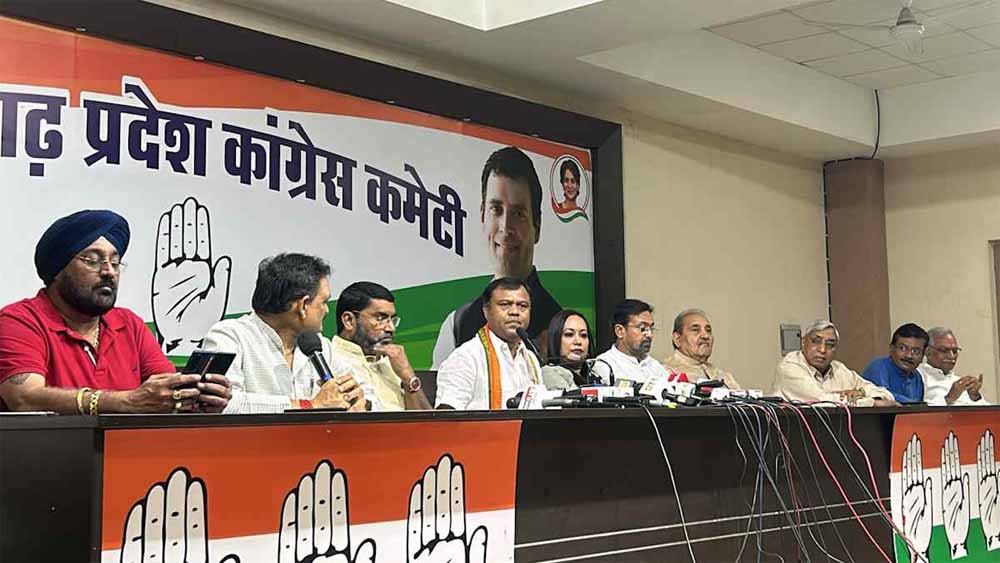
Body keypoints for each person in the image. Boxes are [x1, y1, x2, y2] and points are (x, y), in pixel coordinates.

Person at [0, 210, 231, 414]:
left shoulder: (129, 324)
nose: (109, 272)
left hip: (129, 449)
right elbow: (24, 398)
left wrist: (196, 399)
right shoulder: (19, 321)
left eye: (115, 261)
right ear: (57, 270)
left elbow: (166, 394)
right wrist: (127, 402)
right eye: (92, 260)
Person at [431, 146, 561, 367]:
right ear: (482, 215)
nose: (505, 227)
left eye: (518, 214)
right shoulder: (457, 325)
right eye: (496, 209)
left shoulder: (560, 325)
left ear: (537, 226)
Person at [201, 253, 375, 414]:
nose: (327, 310)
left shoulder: (319, 345)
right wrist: (309, 405)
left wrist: (362, 402)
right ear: (303, 306)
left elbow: (369, 396)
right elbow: (220, 404)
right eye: (324, 302)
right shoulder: (229, 336)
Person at [435, 278, 542, 410]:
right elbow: (446, 416)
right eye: (505, 304)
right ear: (486, 310)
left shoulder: (530, 358)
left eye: (522, 306)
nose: (515, 312)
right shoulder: (465, 358)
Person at [330, 282, 432, 411]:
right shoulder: (330, 360)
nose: (391, 328)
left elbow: (428, 420)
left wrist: (408, 377)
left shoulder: (390, 362)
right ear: (349, 320)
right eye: (380, 318)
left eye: (392, 320)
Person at [772, 320, 895, 406]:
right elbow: (821, 401)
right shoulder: (789, 366)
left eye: (830, 345)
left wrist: (861, 392)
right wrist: (871, 403)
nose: (822, 350)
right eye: (816, 341)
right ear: (803, 342)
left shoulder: (839, 369)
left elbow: (886, 395)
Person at [592, 299, 673, 384]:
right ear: (620, 331)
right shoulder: (604, 365)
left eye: (651, 328)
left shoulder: (655, 366)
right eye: (642, 328)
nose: (649, 335)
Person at [662, 309, 740, 388]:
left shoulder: (724, 376)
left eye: (708, 330)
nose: (706, 336)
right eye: (695, 330)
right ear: (677, 339)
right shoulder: (665, 373)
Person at [920, 327, 989, 406]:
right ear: (928, 352)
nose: (951, 356)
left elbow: (989, 411)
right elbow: (916, 410)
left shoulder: (959, 382)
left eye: (955, 351)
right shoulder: (917, 377)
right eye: (944, 350)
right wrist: (949, 399)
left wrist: (975, 396)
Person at [861, 323, 929, 404]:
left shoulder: (917, 377)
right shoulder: (879, 367)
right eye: (903, 348)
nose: (909, 355)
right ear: (891, 348)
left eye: (915, 351)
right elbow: (883, 397)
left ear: (923, 355)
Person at [540, 309, 594, 390]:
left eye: (583, 335)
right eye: (569, 334)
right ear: (555, 339)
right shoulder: (550, 372)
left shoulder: (595, 373)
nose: (578, 342)